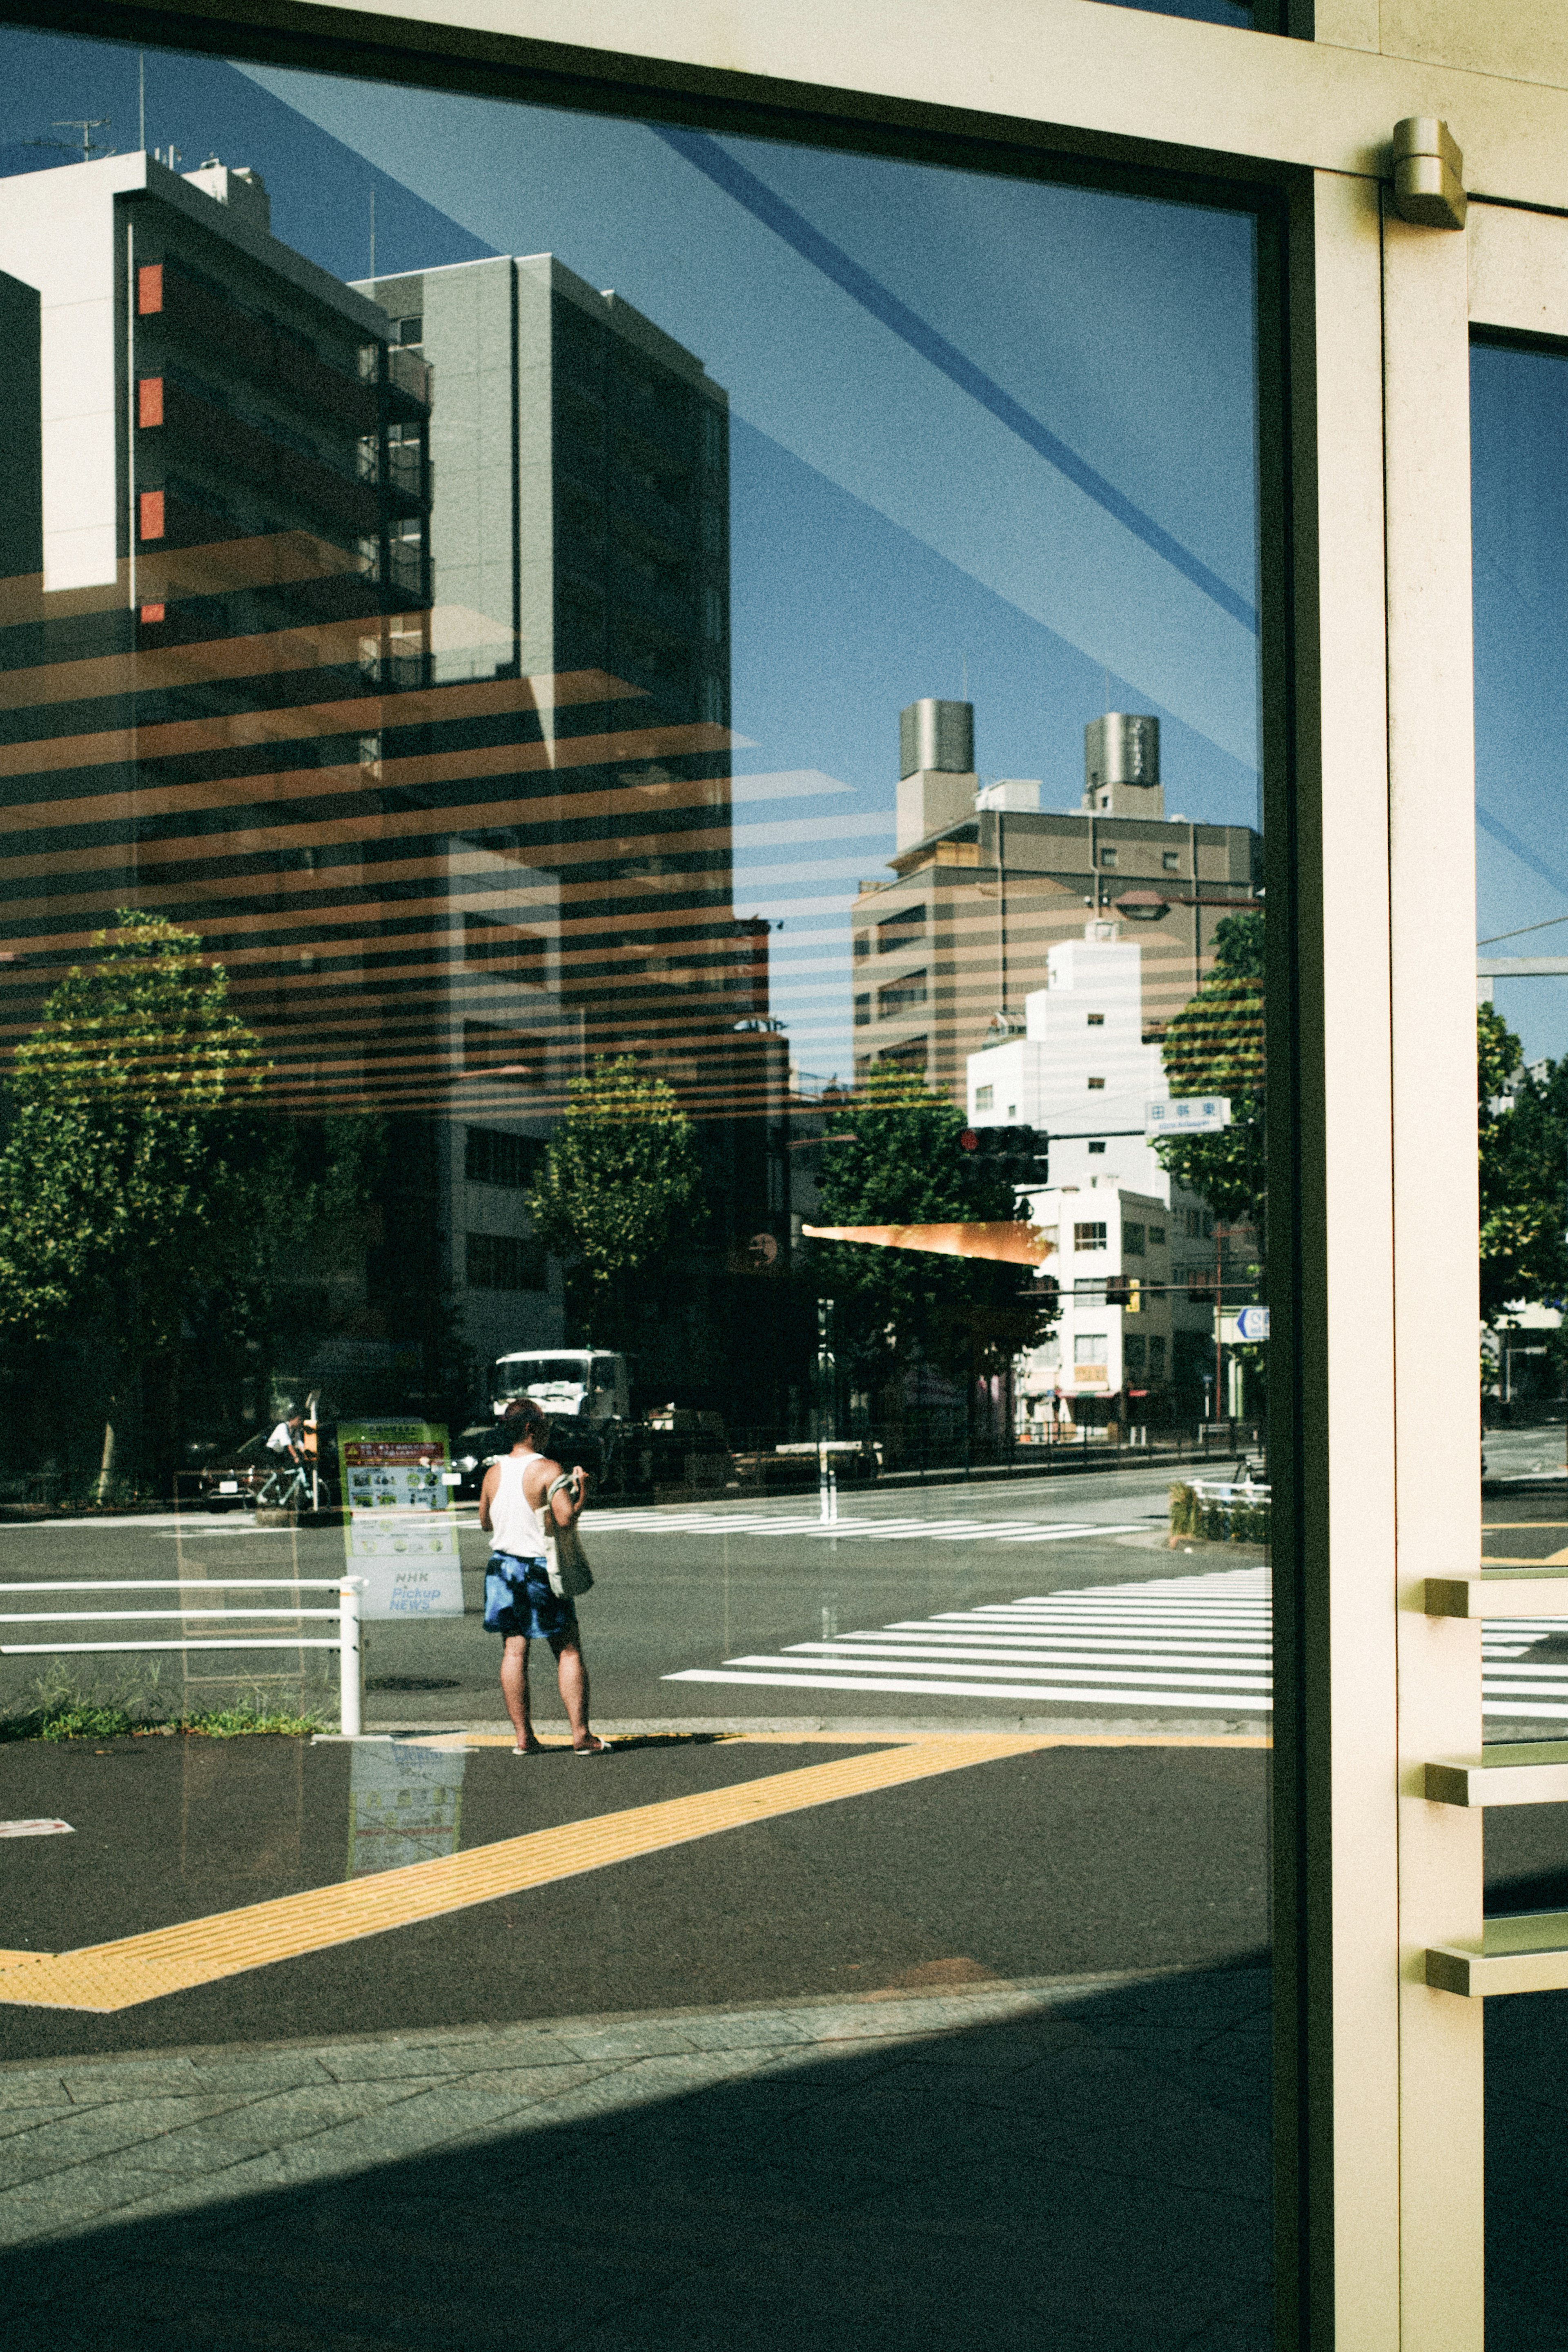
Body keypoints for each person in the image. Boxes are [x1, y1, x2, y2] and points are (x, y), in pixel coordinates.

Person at [479, 1394, 609, 1757]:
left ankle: (524, 1737)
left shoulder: (494, 1472)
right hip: (538, 1569)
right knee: (567, 1648)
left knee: (514, 1650)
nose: (550, 1432)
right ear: (530, 1428)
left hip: (502, 1568)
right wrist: (581, 1491)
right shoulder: (549, 1469)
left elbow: (485, 1521)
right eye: (546, 1425)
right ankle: (581, 1735)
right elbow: (565, 1519)